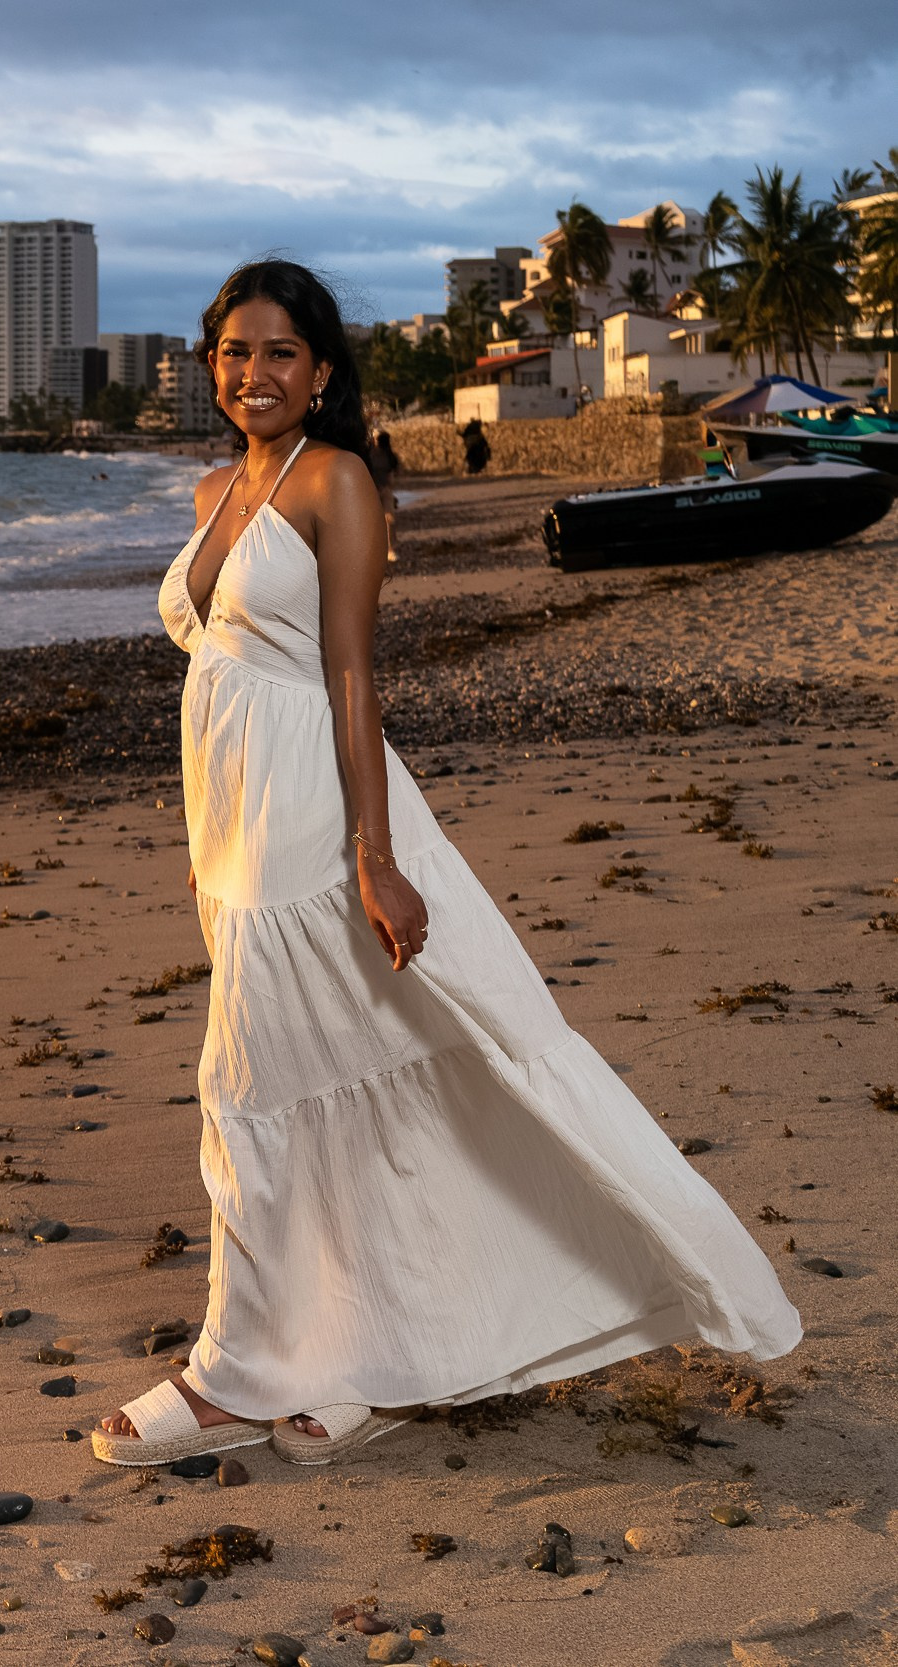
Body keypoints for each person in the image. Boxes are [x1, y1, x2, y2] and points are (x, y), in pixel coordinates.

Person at [90, 259, 800, 1469]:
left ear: (320, 370)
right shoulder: (216, 488)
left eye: (277, 352)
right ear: (209, 364)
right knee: (338, 1074)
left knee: (246, 1088)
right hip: (234, 828)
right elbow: (222, 666)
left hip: (313, 822)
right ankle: (363, 1360)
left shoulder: (336, 481)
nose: (252, 372)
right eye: (232, 350)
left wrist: (373, 855)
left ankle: (231, 1376)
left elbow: (351, 674)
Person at [367, 429, 401, 564]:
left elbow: (393, 473)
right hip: (371, 490)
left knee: (389, 519)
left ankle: (390, 549)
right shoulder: (367, 454)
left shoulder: (389, 456)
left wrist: (389, 488)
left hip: (385, 490)